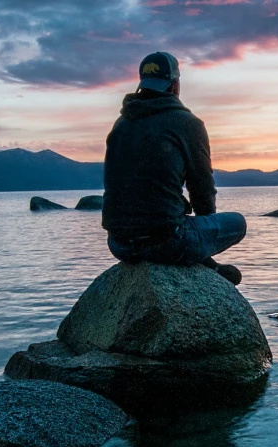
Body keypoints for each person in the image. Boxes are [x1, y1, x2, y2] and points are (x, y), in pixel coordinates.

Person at [102, 51, 246, 285]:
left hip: (118, 244)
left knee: (174, 220)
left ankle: (206, 263)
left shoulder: (120, 125)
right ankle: (206, 263)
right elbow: (201, 188)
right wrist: (203, 237)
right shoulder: (187, 123)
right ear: (175, 85)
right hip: (167, 242)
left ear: (142, 84)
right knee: (238, 223)